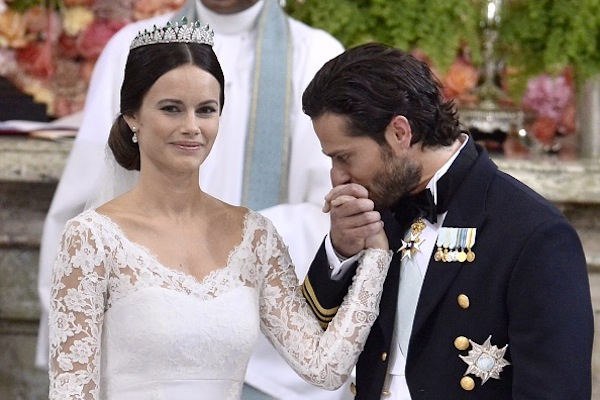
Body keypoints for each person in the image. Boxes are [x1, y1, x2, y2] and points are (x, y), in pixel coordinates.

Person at [47, 21, 392, 400]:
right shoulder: (92, 238)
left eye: (206, 110)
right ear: (133, 116)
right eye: (171, 109)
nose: (191, 127)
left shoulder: (254, 236)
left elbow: (324, 367)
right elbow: (72, 391)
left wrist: (376, 255)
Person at [300, 43, 594, 399]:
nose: (337, 177)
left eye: (344, 157)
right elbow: (307, 343)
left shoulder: (534, 234)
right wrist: (340, 250)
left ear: (399, 133)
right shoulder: (377, 211)